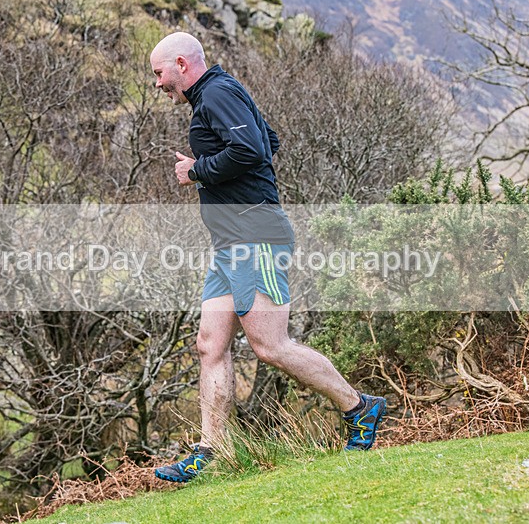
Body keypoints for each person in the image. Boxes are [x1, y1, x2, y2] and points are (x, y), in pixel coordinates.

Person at [149, 32, 386, 483]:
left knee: (270, 346)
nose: (158, 84)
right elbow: (269, 141)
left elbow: (253, 150)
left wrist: (196, 170)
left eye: (159, 74)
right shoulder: (220, 94)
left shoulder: (216, 93)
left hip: (256, 239)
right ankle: (211, 452)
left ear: (181, 64)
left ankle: (359, 406)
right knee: (209, 345)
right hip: (228, 245)